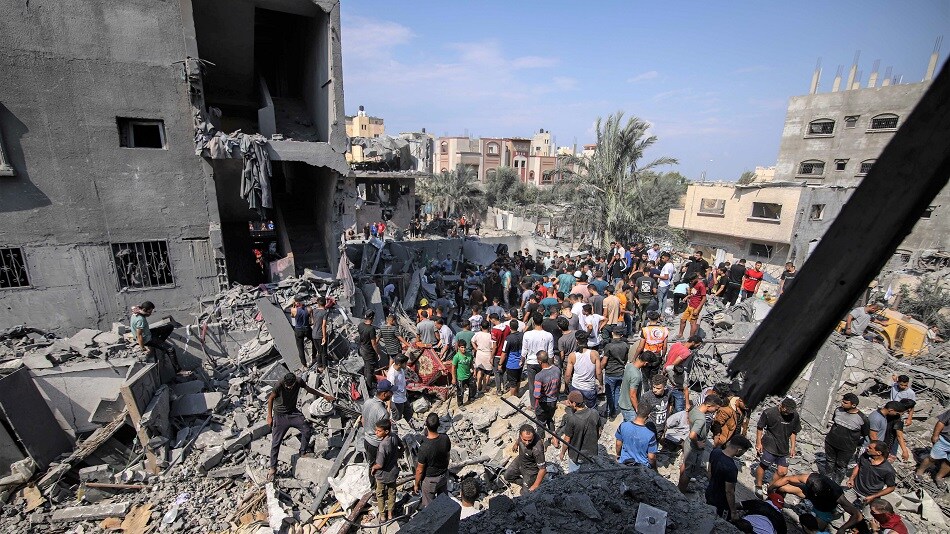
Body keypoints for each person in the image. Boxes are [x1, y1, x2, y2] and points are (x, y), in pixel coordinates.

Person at [266, 373, 334, 481]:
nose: (289, 388)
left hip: (293, 413)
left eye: (291, 386)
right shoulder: (279, 384)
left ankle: (303, 452)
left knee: (306, 430)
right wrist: (269, 416)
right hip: (280, 416)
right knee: (276, 442)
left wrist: (324, 396)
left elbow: (309, 389)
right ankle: (273, 468)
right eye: (287, 386)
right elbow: (270, 399)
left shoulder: (299, 381)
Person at [768, 472, 864, 532]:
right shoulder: (812, 478)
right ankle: (775, 506)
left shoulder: (837, 495)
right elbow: (787, 479)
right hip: (808, 493)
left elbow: (858, 515)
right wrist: (771, 489)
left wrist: (843, 528)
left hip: (824, 509)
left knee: (814, 530)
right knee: (782, 488)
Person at [755, 398, 802, 498]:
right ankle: (758, 485)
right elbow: (760, 427)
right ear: (781, 406)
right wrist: (758, 443)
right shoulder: (769, 413)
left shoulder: (794, 416)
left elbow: (794, 432)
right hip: (770, 443)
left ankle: (770, 487)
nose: (787, 413)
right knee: (764, 465)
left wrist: (793, 447)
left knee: (782, 472)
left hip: (784, 447)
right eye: (786, 411)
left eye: (789, 412)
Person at [678, 394, 722, 493]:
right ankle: (681, 491)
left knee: (685, 464)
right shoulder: (701, 419)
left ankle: (680, 486)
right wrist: (698, 443)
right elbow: (692, 435)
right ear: (709, 406)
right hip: (694, 447)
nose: (716, 411)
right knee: (689, 472)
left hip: (688, 443)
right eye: (716, 408)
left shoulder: (694, 409)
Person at [824, 393, 870, 482]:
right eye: (842, 401)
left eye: (845, 403)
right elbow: (835, 423)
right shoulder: (838, 410)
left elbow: (864, 433)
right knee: (829, 461)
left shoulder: (862, 418)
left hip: (847, 448)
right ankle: (826, 480)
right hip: (831, 442)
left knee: (841, 466)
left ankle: (836, 484)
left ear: (853, 405)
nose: (842, 404)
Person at [705, 434, 752, 520]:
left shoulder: (715, 452)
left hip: (710, 492)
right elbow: (729, 491)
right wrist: (733, 512)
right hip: (721, 502)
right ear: (739, 450)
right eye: (743, 452)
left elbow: (709, 472)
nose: (742, 454)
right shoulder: (731, 468)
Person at [559, 390, 603, 473]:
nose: (568, 404)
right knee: (589, 475)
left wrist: (562, 453)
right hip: (591, 453)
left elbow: (567, 440)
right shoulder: (594, 413)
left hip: (576, 455)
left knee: (575, 476)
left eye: (569, 402)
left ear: (574, 404)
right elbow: (599, 431)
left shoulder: (572, 419)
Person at [414, 413, 451, 507]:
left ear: (426, 425)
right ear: (439, 425)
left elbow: (419, 470)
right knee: (444, 502)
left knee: (429, 507)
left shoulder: (424, 448)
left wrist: (416, 484)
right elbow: (448, 455)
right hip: (443, 476)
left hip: (430, 480)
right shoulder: (445, 438)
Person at [846, 440, 897, 507]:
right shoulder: (865, 456)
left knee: (868, 513)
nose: (867, 448)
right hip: (854, 489)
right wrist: (851, 478)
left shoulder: (888, 470)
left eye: (870, 448)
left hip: (870, 496)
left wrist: (873, 496)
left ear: (878, 453)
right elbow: (858, 465)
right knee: (841, 506)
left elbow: (891, 487)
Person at [371, 419, 401, 521]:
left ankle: (383, 515)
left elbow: (380, 464)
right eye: (376, 430)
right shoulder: (394, 436)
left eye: (379, 431)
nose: (376, 432)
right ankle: (390, 513)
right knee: (392, 493)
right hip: (393, 472)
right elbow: (402, 446)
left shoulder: (383, 445)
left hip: (382, 475)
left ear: (386, 431)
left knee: (380, 494)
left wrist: (373, 467)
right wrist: (397, 455)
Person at [362, 380, 393, 479]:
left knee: (371, 464)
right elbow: (384, 434)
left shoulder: (367, 402)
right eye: (390, 392)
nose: (392, 394)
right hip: (376, 444)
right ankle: (378, 485)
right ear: (384, 394)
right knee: (380, 467)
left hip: (367, 440)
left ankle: (372, 484)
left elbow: (363, 420)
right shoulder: (383, 412)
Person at [664, 335, 703, 413]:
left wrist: (665, 368)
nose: (697, 347)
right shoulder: (686, 352)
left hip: (666, 371)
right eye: (697, 345)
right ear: (693, 342)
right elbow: (674, 364)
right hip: (674, 375)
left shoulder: (676, 344)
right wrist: (687, 404)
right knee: (679, 407)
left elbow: (668, 356)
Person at [913, 408, 950, 489]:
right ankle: (919, 472)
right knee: (932, 458)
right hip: (945, 440)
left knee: (949, 463)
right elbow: (941, 422)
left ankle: (939, 477)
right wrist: (935, 435)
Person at [564, 330, 602, 408]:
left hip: (576, 386)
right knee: (591, 409)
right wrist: (601, 383)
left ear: (576, 341)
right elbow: (598, 372)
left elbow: (568, 375)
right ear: (587, 340)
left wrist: (566, 386)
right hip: (589, 388)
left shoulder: (572, 355)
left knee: (576, 408)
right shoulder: (594, 354)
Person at [504, 425, 547, 493]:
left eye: (530, 440)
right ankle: (524, 484)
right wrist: (516, 444)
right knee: (507, 476)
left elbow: (543, 469)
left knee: (525, 493)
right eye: (524, 440)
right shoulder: (523, 435)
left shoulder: (537, 449)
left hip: (531, 470)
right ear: (521, 436)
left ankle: (528, 486)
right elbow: (519, 439)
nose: (527, 443)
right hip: (520, 461)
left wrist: (535, 485)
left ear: (533, 437)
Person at [616, 402, 659, 468]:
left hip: (624, 462)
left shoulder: (623, 426)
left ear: (636, 410)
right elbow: (651, 457)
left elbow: (618, 444)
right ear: (649, 415)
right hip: (641, 466)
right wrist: (654, 467)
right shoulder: (651, 435)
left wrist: (618, 455)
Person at [522, 312, 554, 396]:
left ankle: (533, 403)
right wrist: (551, 365)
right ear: (542, 321)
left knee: (532, 385)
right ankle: (543, 401)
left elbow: (524, 351)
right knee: (544, 384)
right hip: (544, 363)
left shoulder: (527, 334)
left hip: (531, 362)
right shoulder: (549, 335)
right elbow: (550, 353)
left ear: (533, 322)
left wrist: (522, 361)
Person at [601, 327, 629, 420]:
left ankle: (609, 412)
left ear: (612, 333)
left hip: (610, 372)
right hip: (620, 372)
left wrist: (600, 369)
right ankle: (614, 411)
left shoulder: (609, 346)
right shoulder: (625, 345)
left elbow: (604, 361)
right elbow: (626, 359)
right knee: (617, 392)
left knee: (610, 393)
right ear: (622, 335)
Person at [532, 352, 560, 436]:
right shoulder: (557, 369)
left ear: (540, 361)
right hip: (553, 400)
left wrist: (536, 406)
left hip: (543, 403)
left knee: (540, 423)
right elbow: (559, 385)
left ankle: (541, 440)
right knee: (550, 419)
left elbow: (537, 395)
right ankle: (555, 438)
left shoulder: (539, 376)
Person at [617, 351, 650, 422]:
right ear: (646, 363)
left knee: (626, 425)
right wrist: (638, 410)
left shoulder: (630, 365)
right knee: (632, 427)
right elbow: (632, 395)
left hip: (623, 403)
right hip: (630, 408)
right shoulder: (636, 375)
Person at [675, 274, 706, 340]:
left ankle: (691, 338)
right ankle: (680, 335)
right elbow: (694, 294)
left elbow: (704, 298)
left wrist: (698, 309)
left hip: (695, 306)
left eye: (692, 280)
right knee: (683, 320)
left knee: (693, 323)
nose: (691, 282)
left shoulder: (701, 285)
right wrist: (687, 296)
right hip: (690, 305)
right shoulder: (694, 284)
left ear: (696, 278)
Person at [357, 312, 380, 391]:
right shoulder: (371, 329)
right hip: (368, 351)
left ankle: (365, 382)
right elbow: (373, 343)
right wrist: (378, 353)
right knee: (370, 369)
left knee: (366, 366)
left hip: (362, 349)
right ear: (372, 318)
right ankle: (369, 388)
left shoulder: (360, 325)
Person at [471, 321, 494, 394]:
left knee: (480, 370)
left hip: (480, 353)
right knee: (487, 373)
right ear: (489, 327)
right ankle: (484, 388)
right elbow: (493, 347)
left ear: (481, 327)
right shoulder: (490, 336)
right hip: (488, 354)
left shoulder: (477, 334)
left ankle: (478, 386)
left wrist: (476, 348)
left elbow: (472, 341)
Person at [451, 339, 476, 406]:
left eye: (464, 347)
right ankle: (460, 404)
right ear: (459, 348)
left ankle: (471, 398)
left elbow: (471, 364)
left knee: (473, 386)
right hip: (460, 377)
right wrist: (453, 378)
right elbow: (453, 368)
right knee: (460, 392)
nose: (463, 349)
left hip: (468, 375)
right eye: (462, 347)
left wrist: (474, 371)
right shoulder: (456, 357)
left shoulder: (469, 355)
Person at [386, 355, 409, 422]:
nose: (406, 365)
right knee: (397, 418)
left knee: (408, 412)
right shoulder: (392, 375)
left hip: (403, 396)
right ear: (399, 364)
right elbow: (389, 389)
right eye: (405, 363)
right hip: (397, 400)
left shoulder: (399, 368)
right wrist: (388, 407)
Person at [311, 297, 329, 370]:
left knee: (319, 351)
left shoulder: (314, 311)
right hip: (320, 335)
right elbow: (323, 325)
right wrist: (324, 337)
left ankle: (319, 366)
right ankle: (325, 367)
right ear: (325, 303)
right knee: (323, 352)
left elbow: (312, 321)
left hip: (314, 334)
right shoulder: (325, 312)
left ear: (318, 304)